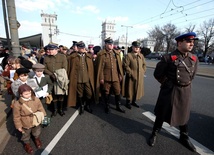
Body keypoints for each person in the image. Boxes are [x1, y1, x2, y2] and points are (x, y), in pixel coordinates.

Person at [148, 32, 199, 152]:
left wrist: (185, 84)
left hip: (185, 90)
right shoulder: (168, 58)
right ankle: (155, 132)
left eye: (193, 41)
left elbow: (193, 74)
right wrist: (168, 84)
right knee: (162, 112)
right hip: (170, 91)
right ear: (180, 43)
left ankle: (184, 136)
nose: (191, 43)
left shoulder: (194, 58)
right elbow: (157, 74)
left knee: (184, 114)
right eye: (188, 41)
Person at [13, 84, 46, 154]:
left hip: (35, 119)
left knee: (36, 130)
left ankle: (36, 139)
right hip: (25, 122)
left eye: (29, 93)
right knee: (26, 134)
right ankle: (27, 144)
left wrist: (44, 116)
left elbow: (41, 108)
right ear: (21, 94)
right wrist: (18, 126)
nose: (28, 95)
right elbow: (16, 116)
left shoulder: (36, 99)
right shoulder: (17, 104)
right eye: (26, 94)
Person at [96, 37, 125, 114]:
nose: (111, 45)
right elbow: (100, 68)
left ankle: (118, 106)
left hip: (115, 77)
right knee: (106, 92)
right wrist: (101, 77)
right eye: (109, 44)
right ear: (105, 44)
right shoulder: (101, 54)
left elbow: (119, 66)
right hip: (106, 77)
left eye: (112, 44)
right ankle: (107, 106)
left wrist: (120, 75)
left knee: (117, 91)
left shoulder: (116, 54)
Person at [67, 41, 94, 115]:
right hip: (78, 79)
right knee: (80, 94)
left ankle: (87, 105)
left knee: (90, 94)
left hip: (87, 79)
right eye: (80, 48)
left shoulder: (88, 56)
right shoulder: (72, 57)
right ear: (77, 48)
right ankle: (82, 106)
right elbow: (69, 68)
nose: (82, 49)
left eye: (83, 47)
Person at [43, 43, 68, 117]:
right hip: (50, 78)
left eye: (51, 49)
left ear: (56, 49)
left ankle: (60, 109)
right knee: (53, 95)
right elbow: (44, 68)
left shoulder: (62, 57)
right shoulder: (46, 58)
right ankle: (55, 110)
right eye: (48, 49)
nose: (49, 51)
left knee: (60, 95)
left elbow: (64, 68)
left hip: (60, 78)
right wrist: (51, 74)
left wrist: (58, 76)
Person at [123, 41, 146, 109]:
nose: (137, 48)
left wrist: (143, 71)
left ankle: (134, 101)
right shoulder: (129, 55)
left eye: (138, 47)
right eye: (135, 47)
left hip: (139, 76)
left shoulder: (141, 56)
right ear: (132, 47)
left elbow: (144, 64)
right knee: (130, 89)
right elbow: (126, 65)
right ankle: (128, 102)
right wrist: (131, 73)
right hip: (131, 76)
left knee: (137, 89)